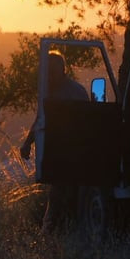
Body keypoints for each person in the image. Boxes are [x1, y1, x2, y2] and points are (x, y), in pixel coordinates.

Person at [20, 51, 89, 233]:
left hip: (72, 155)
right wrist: (28, 143)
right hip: (58, 155)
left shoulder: (75, 92)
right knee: (59, 196)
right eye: (47, 71)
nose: (50, 75)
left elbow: (86, 123)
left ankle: (52, 235)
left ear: (62, 70)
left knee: (64, 198)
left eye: (52, 70)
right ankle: (55, 234)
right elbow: (40, 120)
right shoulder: (51, 91)